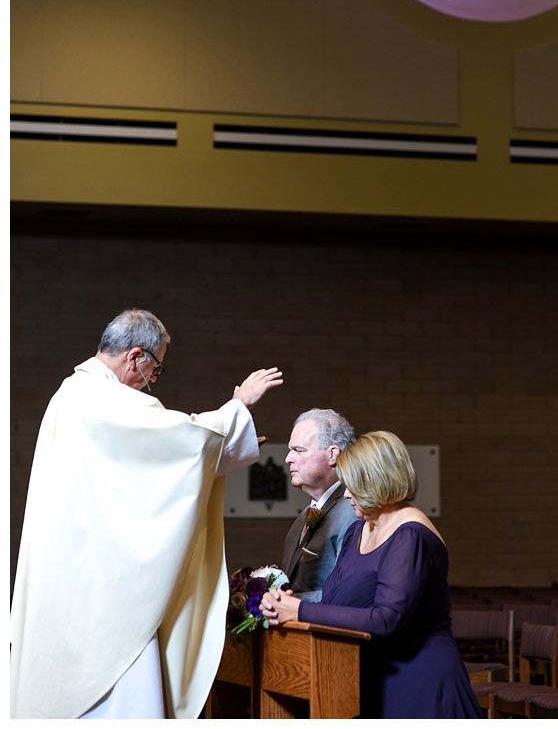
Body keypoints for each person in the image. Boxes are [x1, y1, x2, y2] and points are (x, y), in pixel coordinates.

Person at [10, 308, 283, 719]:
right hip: (106, 587)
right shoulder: (101, 398)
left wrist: (223, 445)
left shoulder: (69, 396)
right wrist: (238, 406)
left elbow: (140, 473)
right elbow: (180, 442)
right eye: (155, 369)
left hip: (73, 575)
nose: (152, 380)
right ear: (135, 356)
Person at [261, 431, 484, 719]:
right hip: (367, 679)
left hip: (418, 684)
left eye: (352, 486)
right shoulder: (358, 529)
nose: (346, 494)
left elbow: (386, 619)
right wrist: (284, 604)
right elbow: (335, 602)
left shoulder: (410, 534)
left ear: (376, 481)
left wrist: (300, 611)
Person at [282, 409, 357, 601]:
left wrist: (286, 602)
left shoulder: (353, 512)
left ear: (332, 454)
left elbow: (349, 593)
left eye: (299, 450)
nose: (288, 458)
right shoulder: (303, 517)